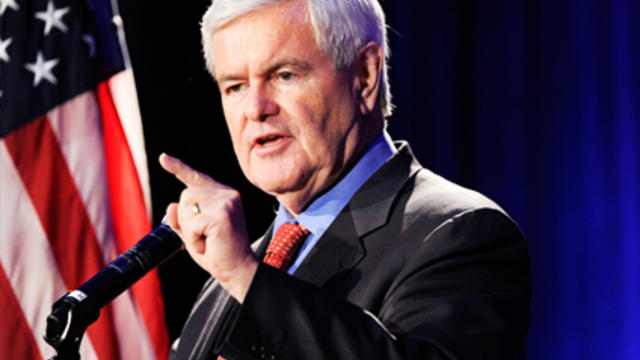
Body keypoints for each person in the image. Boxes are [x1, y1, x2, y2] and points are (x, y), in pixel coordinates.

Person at [160, 0, 531, 359]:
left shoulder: (459, 234)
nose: (256, 108)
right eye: (235, 86)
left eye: (284, 75)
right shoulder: (231, 278)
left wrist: (245, 277)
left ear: (365, 76)